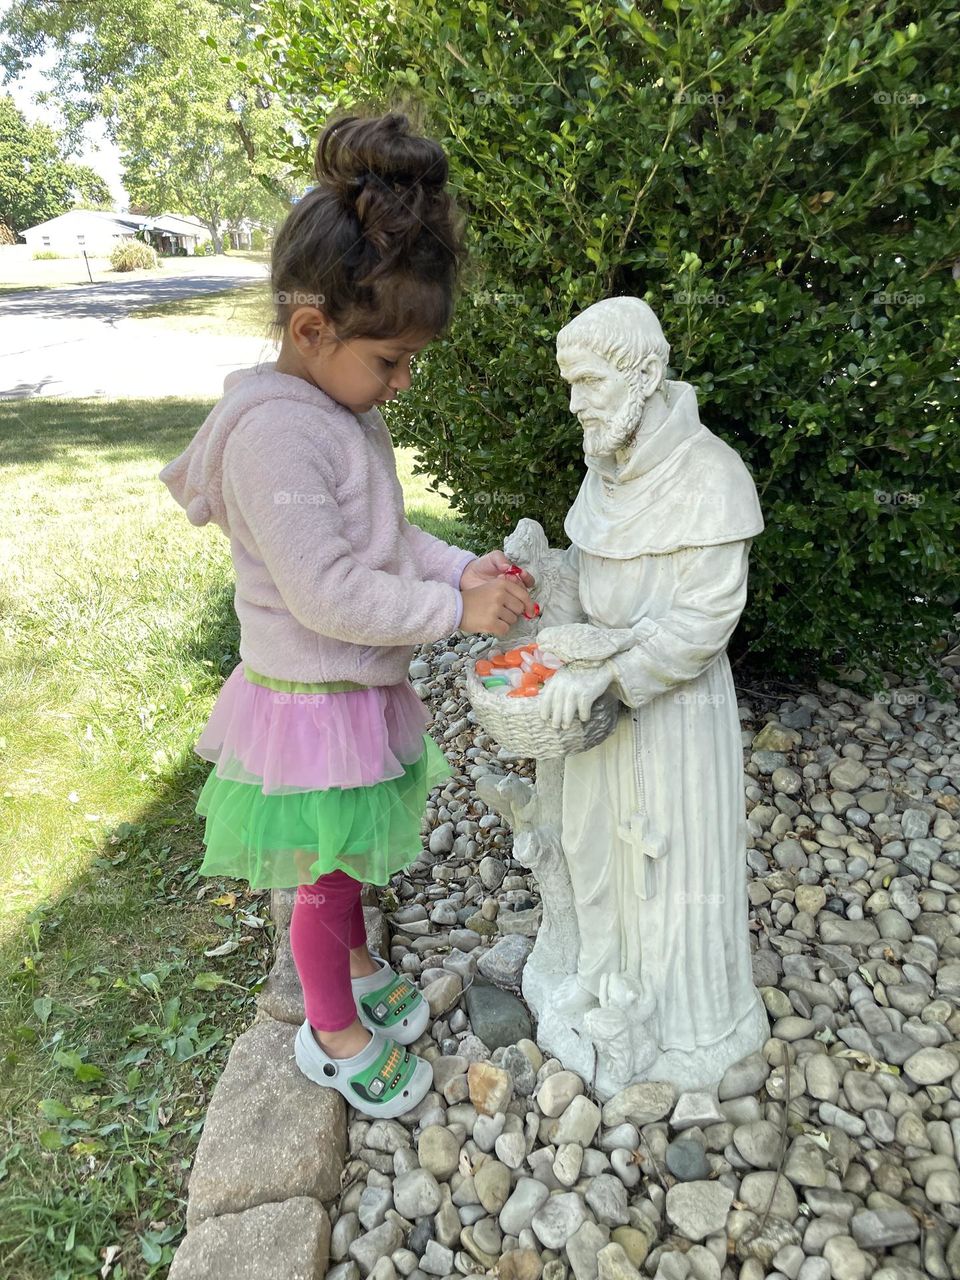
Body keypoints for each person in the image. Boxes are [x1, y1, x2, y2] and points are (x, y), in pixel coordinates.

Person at [158, 109, 535, 1119]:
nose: (404, 384)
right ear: (311, 328)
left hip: (348, 687)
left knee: (352, 855)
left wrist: (466, 565)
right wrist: (456, 612)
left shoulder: (341, 407)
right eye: (392, 360)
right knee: (324, 875)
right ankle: (331, 1030)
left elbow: (385, 537)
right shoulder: (276, 437)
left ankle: (357, 963)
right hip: (310, 698)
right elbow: (331, 588)